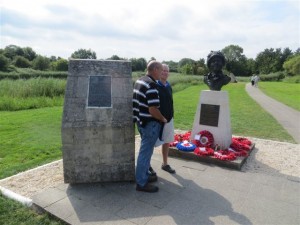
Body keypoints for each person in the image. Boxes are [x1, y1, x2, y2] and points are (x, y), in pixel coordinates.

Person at [133, 60, 167, 193]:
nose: (162, 72)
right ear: (155, 70)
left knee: (145, 152)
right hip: (149, 124)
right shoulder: (151, 85)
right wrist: (163, 118)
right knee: (145, 153)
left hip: (140, 122)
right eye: (160, 69)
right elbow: (153, 109)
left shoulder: (139, 81)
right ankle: (141, 183)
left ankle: (144, 175)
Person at [154, 64, 176, 174]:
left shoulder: (168, 85)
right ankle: (147, 166)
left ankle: (165, 164)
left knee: (167, 142)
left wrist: (171, 116)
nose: (165, 73)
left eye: (167, 71)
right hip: (157, 121)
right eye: (163, 70)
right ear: (158, 71)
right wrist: (160, 118)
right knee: (151, 144)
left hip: (169, 119)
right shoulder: (154, 85)